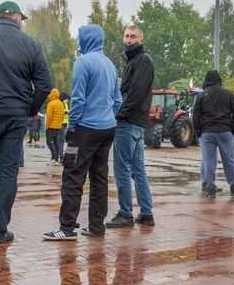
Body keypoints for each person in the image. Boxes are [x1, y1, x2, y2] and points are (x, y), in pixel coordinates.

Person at [44, 24, 122, 240]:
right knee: (99, 178)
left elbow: (78, 99)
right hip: (107, 129)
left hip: (85, 130)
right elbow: (118, 100)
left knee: (72, 176)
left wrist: (72, 126)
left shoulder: (83, 62)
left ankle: (67, 228)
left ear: (87, 40)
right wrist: (108, 116)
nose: (78, 42)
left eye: (80, 38)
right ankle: (97, 226)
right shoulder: (110, 65)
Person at [0, 0, 51, 244]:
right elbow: (44, 85)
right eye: (21, 19)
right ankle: (0, 230)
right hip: (15, 115)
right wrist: (29, 109)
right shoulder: (30, 44)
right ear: (15, 18)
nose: (22, 23)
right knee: (8, 173)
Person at [107, 25, 155, 228]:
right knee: (137, 169)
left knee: (123, 170)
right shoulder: (135, 61)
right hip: (135, 122)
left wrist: (120, 115)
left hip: (129, 122)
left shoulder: (142, 60)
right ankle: (146, 212)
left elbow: (134, 92)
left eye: (133, 36)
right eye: (126, 36)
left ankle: (126, 213)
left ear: (141, 40)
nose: (129, 40)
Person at [192, 69, 234, 198]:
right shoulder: (228, 93)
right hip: (225, 131)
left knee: (209, 161)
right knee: (228, 160)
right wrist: (233, 131)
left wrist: (199, 132)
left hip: (207, 132)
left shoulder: (201, 95)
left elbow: (196, 116)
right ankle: (233, 187)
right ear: (219, 79)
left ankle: (210, 188)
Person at [44, 88, 65, 165]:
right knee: (56, 143)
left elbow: (49, 117)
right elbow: (62, 116)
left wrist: (47, 126)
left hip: (51, 126)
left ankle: (53, 158)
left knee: (49, 142)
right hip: (58, 127)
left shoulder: (51, 104)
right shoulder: (60, 103)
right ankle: (56, 160)